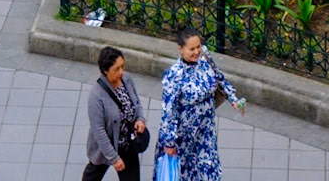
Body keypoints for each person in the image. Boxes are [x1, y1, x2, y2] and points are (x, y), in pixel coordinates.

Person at [157, 29, 241, 181]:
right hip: (185, 137)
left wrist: (232, 98)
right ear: (180, 49)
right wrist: (169, 141)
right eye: (192, 49)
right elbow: (169, 111)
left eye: (198, 47)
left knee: (209, 172)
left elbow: (218, 75)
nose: (197, 52)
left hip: (206, 130)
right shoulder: (174, 75)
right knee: (186, 175)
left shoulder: (204, 57)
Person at [84, 47, 148, 181]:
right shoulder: (96, 96)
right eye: (116, 69)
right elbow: (99, 131)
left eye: (122, 67)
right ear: (105, 71)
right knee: (93, 175)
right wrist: (113, 158)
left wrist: (140, 119)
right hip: (106, 148)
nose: (121, 72)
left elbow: (136, 103)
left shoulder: (127, 80)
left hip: (127, 144)